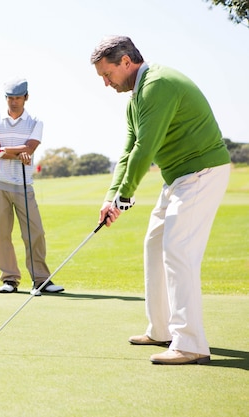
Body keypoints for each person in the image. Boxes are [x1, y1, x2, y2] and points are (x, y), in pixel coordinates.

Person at [90, 36, 231, 365]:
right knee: (154, 244)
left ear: (126, 62)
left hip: (202, 171)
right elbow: (127, 151)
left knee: (178, 250)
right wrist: (111, 196)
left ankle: (191, 342)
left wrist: (125, 197)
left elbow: (145, 149)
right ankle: (161, 328)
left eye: (107, 75)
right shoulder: (134, 100)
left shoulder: (158, 84)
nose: (105, 83)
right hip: (178, 178)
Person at [0, 77, 64, 296]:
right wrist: (10, 152)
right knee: (2, 234)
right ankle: (9, 279)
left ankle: (41, 280)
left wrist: (4, 151)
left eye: (18, 98)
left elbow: (29, 149)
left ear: (26, 98)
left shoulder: (35, 122)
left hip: (23, 185)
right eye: (10, 98)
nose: (14, 102)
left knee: (35, 232)